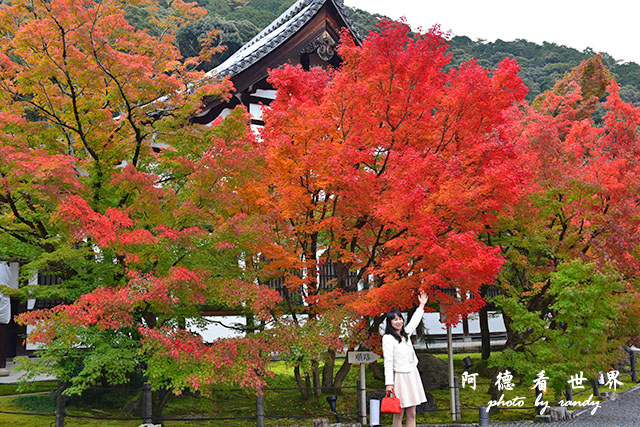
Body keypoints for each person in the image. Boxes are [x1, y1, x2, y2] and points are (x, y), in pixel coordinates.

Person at [382, 291, 428, 427]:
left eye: (400, 318)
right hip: (399, 377)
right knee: (398, 412)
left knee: (412, 412)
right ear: (390, 323)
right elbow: (388, 362)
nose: (399, 321)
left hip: (412, 375)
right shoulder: (388, 338)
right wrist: (389, 383)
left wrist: (421, 305)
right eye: (395, 319)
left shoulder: (405, 334)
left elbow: (414, 321)